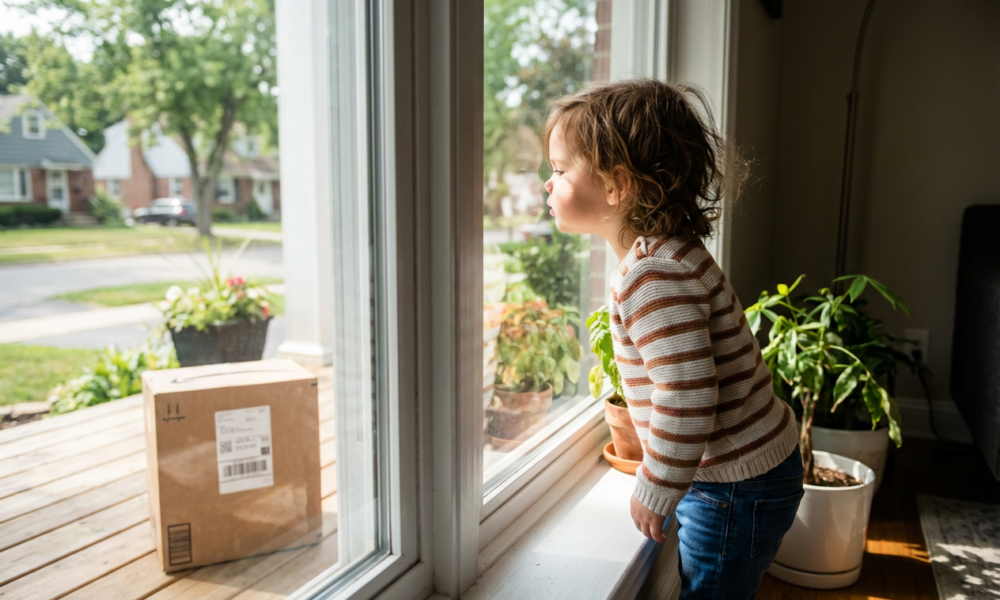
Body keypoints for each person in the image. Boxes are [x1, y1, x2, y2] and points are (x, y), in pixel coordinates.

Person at [542, 79, 804, 599]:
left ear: (616, 186)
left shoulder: (651, 276)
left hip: (732, 485)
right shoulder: (669, 253)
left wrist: (658, 486)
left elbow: (686, 396)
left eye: (558, 171)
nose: (548, 186)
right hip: (744, 473)